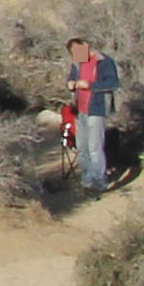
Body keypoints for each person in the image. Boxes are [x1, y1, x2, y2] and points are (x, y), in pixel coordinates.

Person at [61, 37, 120, 195]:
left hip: (97, 109)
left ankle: (99, 181)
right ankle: (87, 179)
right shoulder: (77, 63)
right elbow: (72, 77)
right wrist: (71, 84)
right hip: (81, 109)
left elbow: (113, 83)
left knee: (95, 147)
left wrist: (91, 86)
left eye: (78, 51)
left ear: (86, 45)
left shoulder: (104, 61)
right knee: (83, 147)